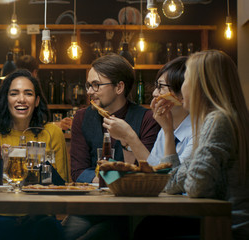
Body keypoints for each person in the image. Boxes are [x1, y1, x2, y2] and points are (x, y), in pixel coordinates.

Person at [135, 50, 249, 239]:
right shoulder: (218, 120)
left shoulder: (218, 121)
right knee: (149, 226)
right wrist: (169, 131)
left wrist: (187, 175)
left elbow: (196, 187)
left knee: (148, 230)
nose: (182, 89)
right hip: (220, 222)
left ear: (202, 85)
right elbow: (171, 183)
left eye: (186, 80)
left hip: (226, 228)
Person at [0, 69, 66, 240]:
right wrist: (0, 163)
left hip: (42, 217)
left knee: (47, 226)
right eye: (14, 93)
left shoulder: (52, 132)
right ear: (6, 99)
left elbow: (62, 185)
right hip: (3, 216)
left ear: (37, 100)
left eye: (28, 93)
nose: (21, 99)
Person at [70, 53, 160, 183]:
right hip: (92, 200)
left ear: (119, 87)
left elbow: (147, 171)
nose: (89, 92)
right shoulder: (81, 117)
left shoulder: (147, 119)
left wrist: (129, 137)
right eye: (89, 85)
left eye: (96, 85)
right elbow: (78, 173)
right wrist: (116, 180)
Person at [103, 56, 192, 166]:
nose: (154, 93)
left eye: (161, 87)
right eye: (156, 86)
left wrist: (130, 136)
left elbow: (171, 179)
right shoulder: (165, 129)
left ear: (184, 94)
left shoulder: (198, 134)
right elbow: (154, 170)